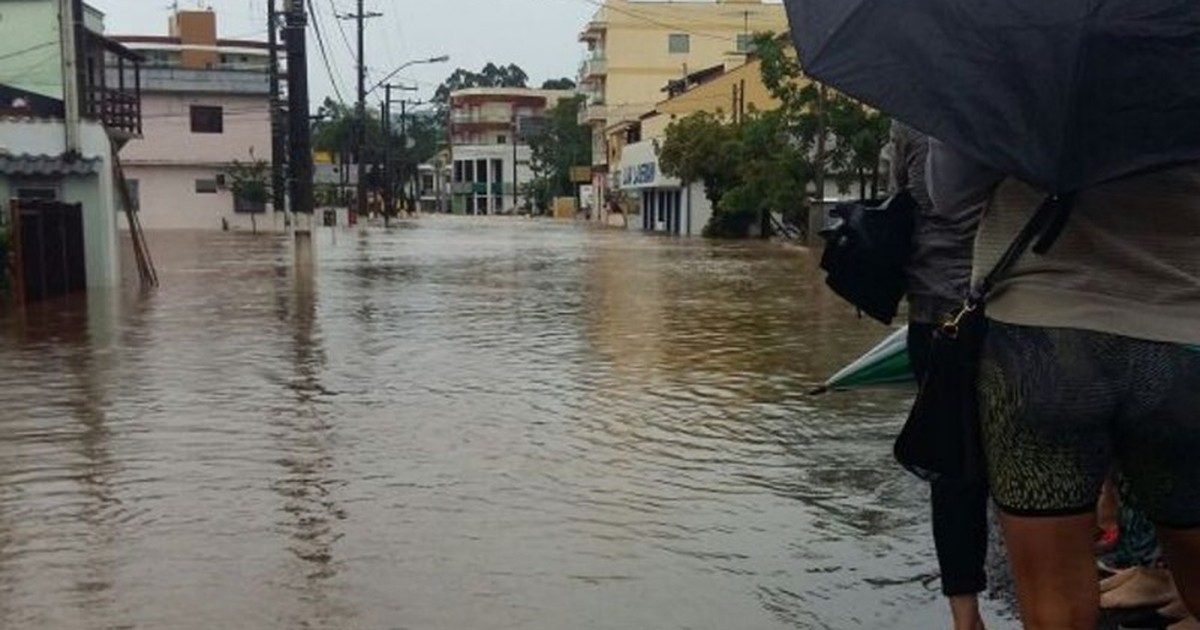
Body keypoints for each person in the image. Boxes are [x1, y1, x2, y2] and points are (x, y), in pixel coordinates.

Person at [927, 139, 1200, 630]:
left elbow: (949, 194)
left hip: (1040, 337)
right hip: (1183, 337)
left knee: (1056, 607)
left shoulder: (1014, 63)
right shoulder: (1182, 63)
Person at [891, 122, 989, 630]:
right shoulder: (1017, 104)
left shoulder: (910, 116)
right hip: (1009, 312)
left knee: (952, 472)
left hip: (933, 317)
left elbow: (899, 203)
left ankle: (964, 615)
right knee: (1026, 470)